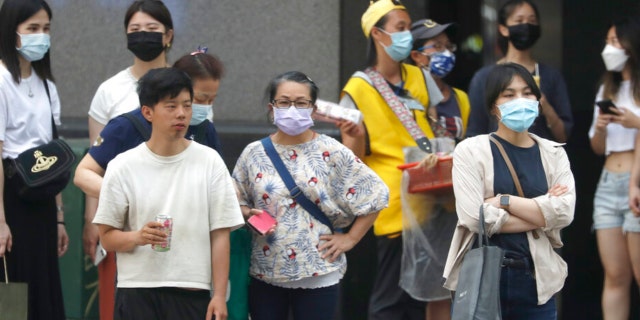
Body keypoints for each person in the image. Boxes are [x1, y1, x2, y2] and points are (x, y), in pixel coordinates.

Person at [74, 50, 225, 315]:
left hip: (189, 278)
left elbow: (219, 202)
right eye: (200, 98)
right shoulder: (126, 128)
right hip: (140, 272)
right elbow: (83, 174)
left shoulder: (204, 135)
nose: (188, 111)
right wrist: (127, 197)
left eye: (196, 103)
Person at [232, 71, 389, 320]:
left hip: (319, 270)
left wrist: (350, 239)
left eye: (301, 102)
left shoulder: (331, 151)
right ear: (271, 107)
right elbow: (235, 201)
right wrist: (250, 214)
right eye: (284, 102)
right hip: (266, 270)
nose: (292, 108)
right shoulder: (254, 154)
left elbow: (376, 194)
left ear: (313, 108)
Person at [444, 63, 575, 318]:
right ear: (494, 106)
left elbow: (564, 213)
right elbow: (474, 217)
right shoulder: (470, 151)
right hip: (484, 278)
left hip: (536, 279)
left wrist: (504, 201)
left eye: (528, 93)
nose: (521, 100)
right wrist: (540, 212)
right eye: (509, 94)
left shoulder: (554, 152)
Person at [338, 1, 439, 318]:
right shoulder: (357, 89)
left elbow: (436, 128)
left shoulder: (421, 77)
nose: (408, 35)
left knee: (424, 298)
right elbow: (352, 163)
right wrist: (352, 135)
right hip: (392, 208)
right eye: (401, 28)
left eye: (409, 27)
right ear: (378, 35)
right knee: (390, 302)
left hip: (432, 202)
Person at [81, 1, 173, 317]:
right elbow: (95, 163)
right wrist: (92, 219)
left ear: (169, 35)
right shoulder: (109, 91)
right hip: (119, 220)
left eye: (152, 30)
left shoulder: (184, 86)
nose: (143, 37)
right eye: (135, 31)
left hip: (174, 217)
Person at [0, 1, 68, 319]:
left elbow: (51, 157)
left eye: (46, 29)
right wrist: (0, 221)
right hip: (10, 200)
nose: (41, 36)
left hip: (41, 199)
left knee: (43, 287)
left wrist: (59, 217)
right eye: (32, 29)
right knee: (13, 292)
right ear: (11, 32)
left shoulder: (47, 86)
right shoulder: (1, 80)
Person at [401, 18, 470, 320]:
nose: (445, 53)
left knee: (453, 287)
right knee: (421, 288)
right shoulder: (405, 100)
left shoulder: (461, 99)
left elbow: (467, 144)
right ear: (416, 55)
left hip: (455, 201)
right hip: (416, 204)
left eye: (448, 47)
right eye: (436, 47)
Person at [589, 16, 640, 320]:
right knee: (615, 275)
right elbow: (596, 148)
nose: (609, 48)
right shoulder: (606, 89)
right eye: (607, 42)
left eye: (615, 42)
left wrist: (636, 123)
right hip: (608, 182)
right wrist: (600, 128)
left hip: (637, 181)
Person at [466, 0, 573, 143]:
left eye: (532, 20)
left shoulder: (551, 76)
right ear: (503, 29)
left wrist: (546, 108)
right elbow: (474, 133)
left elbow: (564, 136)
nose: (526, 26)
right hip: (497, 160)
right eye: (519, 20)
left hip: (540, 161)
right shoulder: (483, 78)